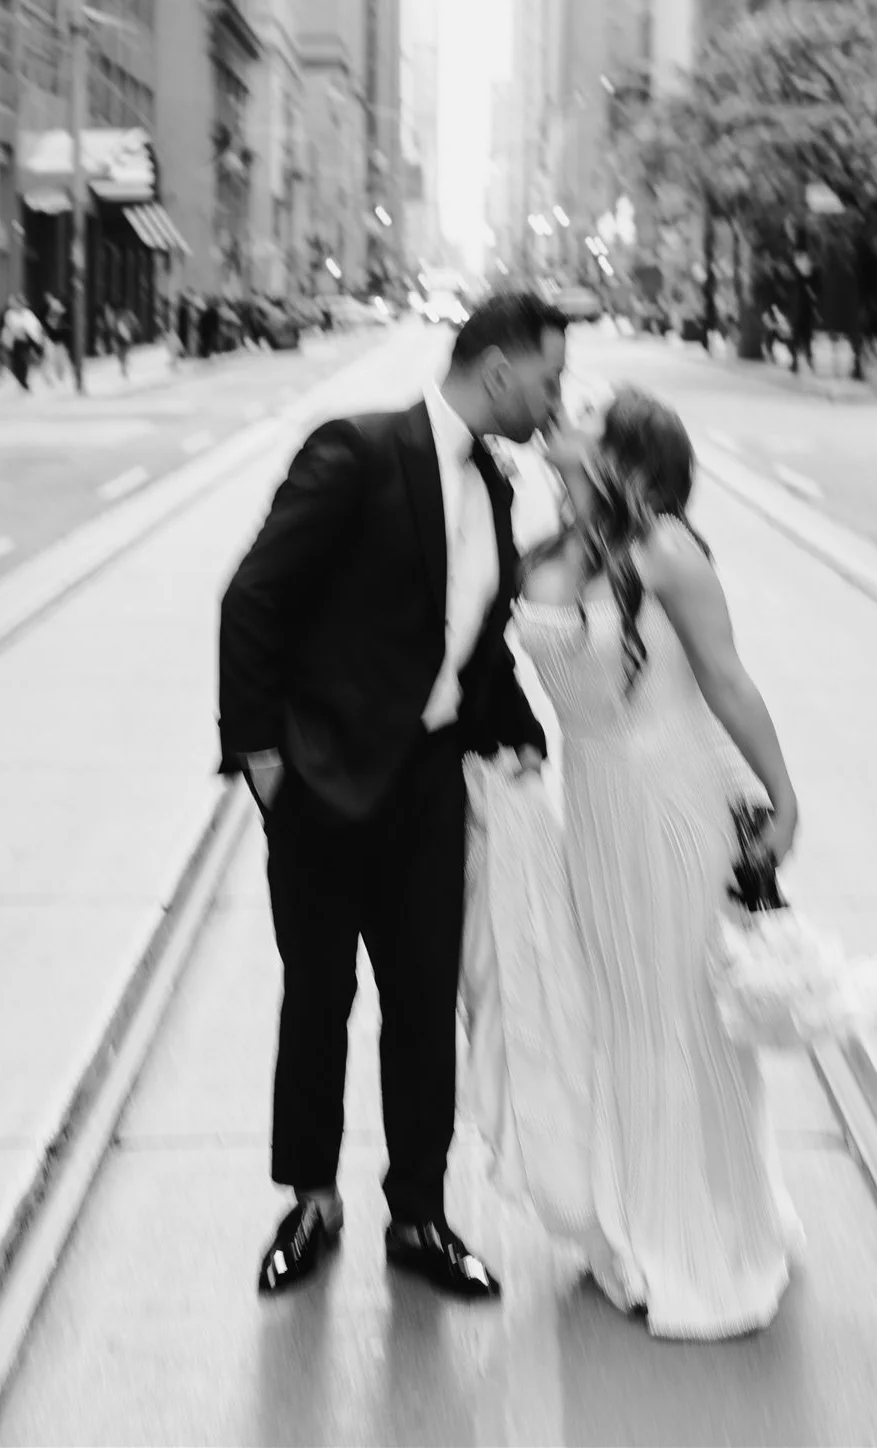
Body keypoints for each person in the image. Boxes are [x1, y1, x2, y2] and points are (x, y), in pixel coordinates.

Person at [218, 290, 568, 1303]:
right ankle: (311, 1200)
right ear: (497, 369)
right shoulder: (359, 450)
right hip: (322, 790)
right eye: (550, 378)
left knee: (422, 1007)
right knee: (318, 1001)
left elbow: (472, 633)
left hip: (429, 785)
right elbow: (253, 598)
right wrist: (263, 762)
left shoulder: (499, 484)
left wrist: (519, 741)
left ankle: (419, 1212)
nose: (556, 400)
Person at [465, 387, 804, 1338]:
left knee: (680, 1017)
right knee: (623, 1013)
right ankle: (633, 1218)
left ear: (625, 457)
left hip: (673, 807)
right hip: (600, 813)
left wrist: (782, 799)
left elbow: (727, 681)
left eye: (588, 413)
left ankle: (700, 1232)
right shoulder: (548, 545)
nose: (562, 413)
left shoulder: (666, 549)